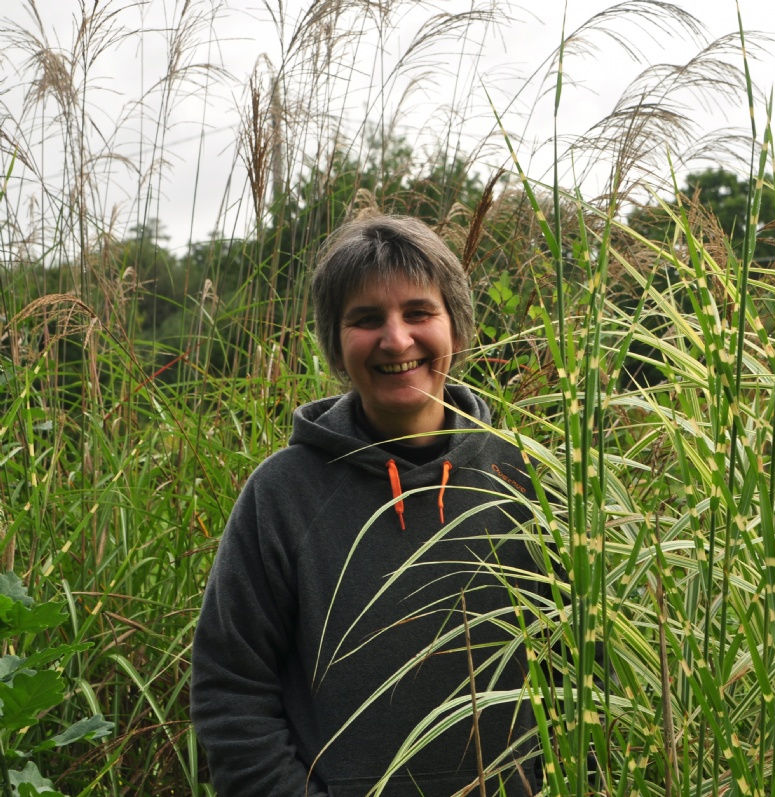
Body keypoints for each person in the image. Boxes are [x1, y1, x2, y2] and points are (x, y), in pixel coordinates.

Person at [191, 213, 541, 796]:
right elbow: (230, 688)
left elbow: (585, 675)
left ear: (456, 325)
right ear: (336, 340)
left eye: (419, 313)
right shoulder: (281, 495)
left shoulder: (529, 481)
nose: (396, 340)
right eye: (366, 319)